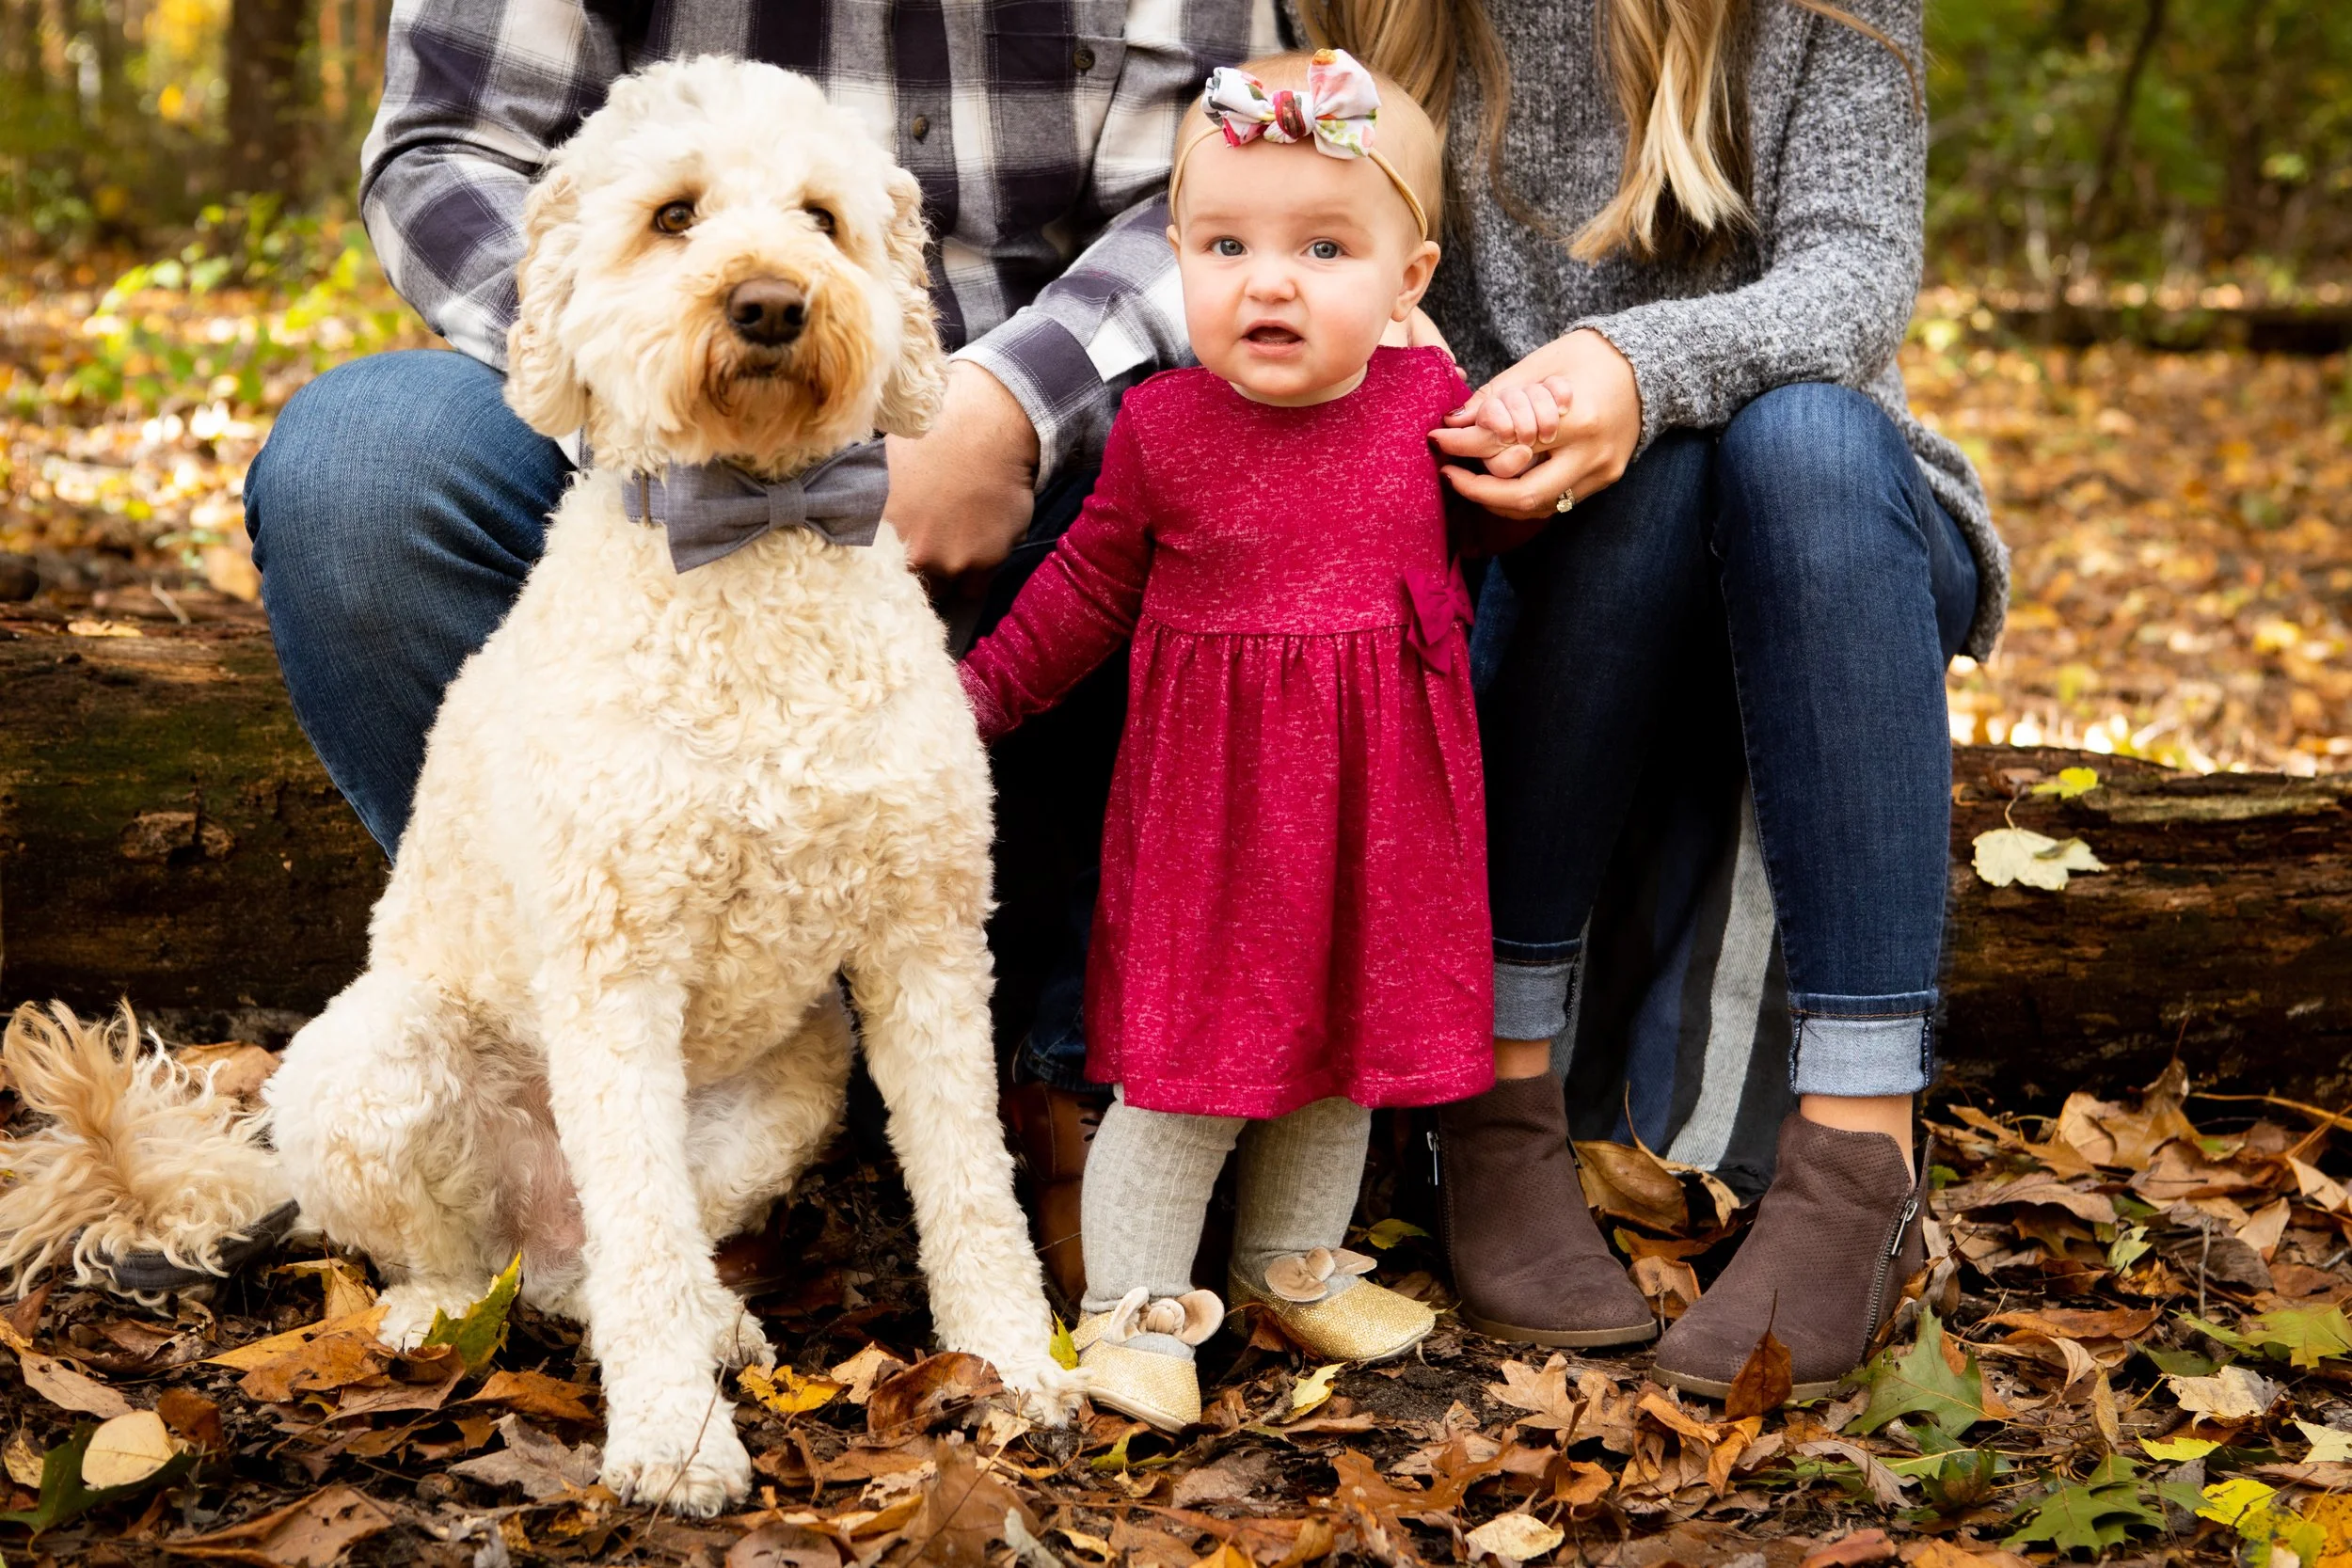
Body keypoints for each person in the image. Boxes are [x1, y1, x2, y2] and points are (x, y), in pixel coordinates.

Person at [242, 0, 1287, 1288]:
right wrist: (640, 397)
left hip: (1030, 432)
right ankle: (613, 1076)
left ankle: (1074, 1077)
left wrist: (1008, 404)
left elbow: (1216, 182)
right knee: (360, 468)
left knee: (1230, 466)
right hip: (631, 454)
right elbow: (447, 143)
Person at [1286, 0, 2004, 1396]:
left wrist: (1637, 367)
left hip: (1831, 518)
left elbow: (1856, 278)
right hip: (1518, 529)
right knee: (1639, 477)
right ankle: (1492, 1106)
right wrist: (1510, 422)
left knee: (1787, 437)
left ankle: (1861, 1155)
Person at [957, 49, 1485, 1430]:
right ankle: (1129, 1305)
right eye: (1227, 244)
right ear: (1177, 253)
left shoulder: (1430, 415)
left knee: (1341, 1041)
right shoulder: (1165, 427)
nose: (1270, 280)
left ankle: (1290, 1261)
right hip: (1215, 815)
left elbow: (1492, 545)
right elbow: (1081, 590)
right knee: (1188, 1064)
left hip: (1379, 810)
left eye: (1325, 247)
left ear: (1409, 279)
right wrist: (975, 700)